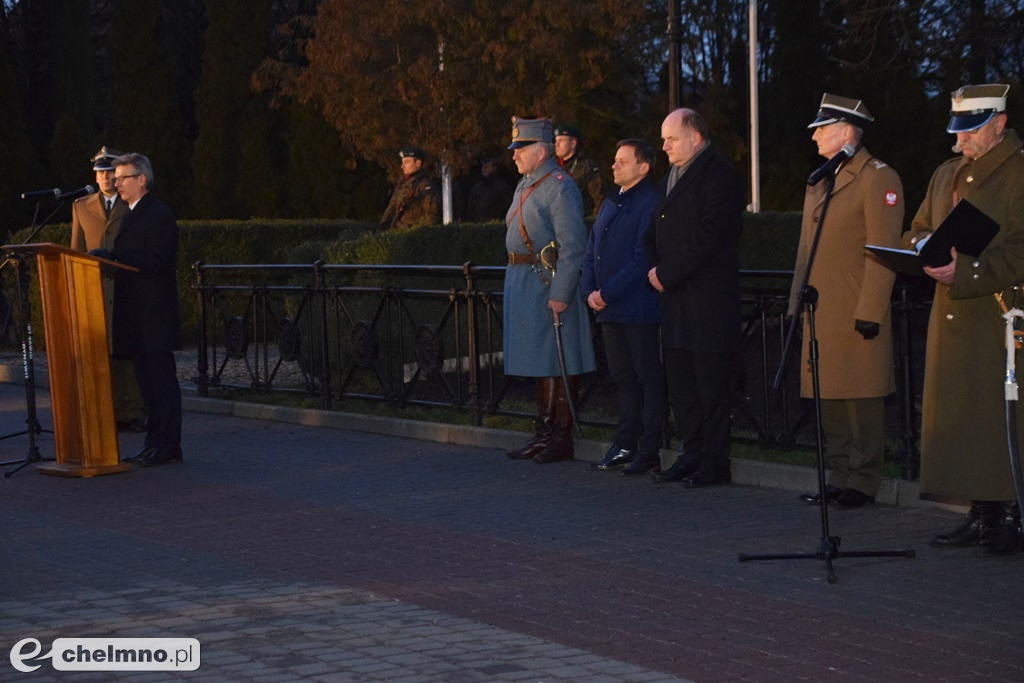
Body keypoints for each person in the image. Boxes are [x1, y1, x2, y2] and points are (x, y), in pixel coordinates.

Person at [904, 83, 1024, 555]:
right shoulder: (946, 174)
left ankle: (1011, 514)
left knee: (1000, 421)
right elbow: (916, 227)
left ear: (1000, 122)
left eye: (970, 132)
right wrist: (921, 247)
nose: (959, 142)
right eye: (956, 131)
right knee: (964, 420)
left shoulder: (1018, 173)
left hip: (997, 318)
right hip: (951, 317)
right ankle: (982, 512)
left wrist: (969, 269)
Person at [788, 94, 904, 508]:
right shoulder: (821, 178)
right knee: (829, 396)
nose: (815, 135)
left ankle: (865, 479)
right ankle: (838, 474)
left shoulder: (877, 177)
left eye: (822, 128)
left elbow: (884, 249)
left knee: (861, 398)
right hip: (821, 308)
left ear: (847, 132)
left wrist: (871, 309)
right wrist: (795, 303)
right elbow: (806, 249)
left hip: (855, 308)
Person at [644, 108, 743, 488]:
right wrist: (654, 268)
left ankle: (715, 462)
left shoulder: (720, 177)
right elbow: (653, 230)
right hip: (675, 300)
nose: (663, 145)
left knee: (711, 384)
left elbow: (711, 237)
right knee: (682, 384)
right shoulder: (670, 175)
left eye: (671, 138)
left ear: (695, 138)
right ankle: (692, 452)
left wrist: (665, 274)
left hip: (707, 299)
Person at [503, 116, 596, 464]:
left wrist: (561, 291)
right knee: (542, 362)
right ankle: (543, 433)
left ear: (541, 152)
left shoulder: (559, 186)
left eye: (520, 149)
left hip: (548, 282)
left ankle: (560, 437)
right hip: (525, 280)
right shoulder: (527, 184)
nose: (514, 155)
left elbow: (573, 246)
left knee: (560, 359)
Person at [89, 153, 183, 467]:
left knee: (161, 384)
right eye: (114, 177)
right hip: (136, 315)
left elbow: (158, 261)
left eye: (122, 177)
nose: (115, 182)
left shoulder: (158, 214)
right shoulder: (131, 212)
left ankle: (169, 444)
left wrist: (114, 260)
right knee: (148, 385)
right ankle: (153, 442)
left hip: (153, 315)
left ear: (141, 180)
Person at [581, 138, 665, 476]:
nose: (613, 166)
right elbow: (592, 250)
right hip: (610, 309)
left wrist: (606, 293)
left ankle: (650, 447)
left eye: (622, 161)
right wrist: (589, 290)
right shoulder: (610, 202)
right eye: (614, 161)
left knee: (647, 378)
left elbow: (641, 259)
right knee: (623, 378)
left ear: (643, 168)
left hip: (639, 308)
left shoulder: (650, 202)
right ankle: (625, 442)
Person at [70, 146, 148, 433]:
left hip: (125, 285)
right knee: (102, 353)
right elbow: (76, 249)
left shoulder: (131, 202)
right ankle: (109, 410)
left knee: (127, 352)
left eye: (108, 172)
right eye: (99, 173)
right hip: (96, 290)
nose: (104, 178)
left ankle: (135, 410)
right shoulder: (81, 206)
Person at [380, 146, 439, 230]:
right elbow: (392, 205)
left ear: (418, 163)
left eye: (406, 162)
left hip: (413, 232)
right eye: (402, 162)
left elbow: (431, 214)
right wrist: (384, 223)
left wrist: (425, 234)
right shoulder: (402, 183)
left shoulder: (424, 185)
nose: (402, 166)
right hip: (398, 231)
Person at [554, 124, 606, 217]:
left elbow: (600, 199)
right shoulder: (553, 167)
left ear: (573, 143)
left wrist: (590, 225)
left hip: (581, 223)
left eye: (561, 140)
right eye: (556, 141)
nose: (556, 144)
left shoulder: (588, 167)